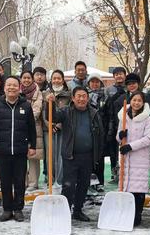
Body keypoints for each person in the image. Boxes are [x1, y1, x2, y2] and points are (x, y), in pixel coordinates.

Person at [0, 76, 36, 221]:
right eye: (8, 85)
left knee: (19, 181)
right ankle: (7, 209)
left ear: (19, 88)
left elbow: (31, 127)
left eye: (14, 85)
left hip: (20, 149)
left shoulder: (25, 106)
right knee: (5, 181)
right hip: (2, 149)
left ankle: (18, 209)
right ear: (4, 88)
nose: (11, 88)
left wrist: (33, 146)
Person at [49, 86, 104, 221]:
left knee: (84, 184)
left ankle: (78, 210)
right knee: (69, 185)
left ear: (87, 97)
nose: (81, 99)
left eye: (84, 96)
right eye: (78, 96)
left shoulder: (94, 113)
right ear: (73, 98)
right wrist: (49, 104)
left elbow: (100, 134)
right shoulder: (66, 112)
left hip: (88, 155)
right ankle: (65, 211)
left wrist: (98, 153)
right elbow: (53, 117)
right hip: (70, 155)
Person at [116, 91, 150, 226]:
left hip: (140, 158)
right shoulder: (124, 117)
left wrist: (131, 146)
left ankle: (137, 215)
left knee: (138, 189)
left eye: (139, 100)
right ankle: (127, 213)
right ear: (130, 101)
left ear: (143, 103)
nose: (136, 103)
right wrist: (121, 136)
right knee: (127, 188)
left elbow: (148, 138)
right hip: (126, 158)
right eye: (134, 100)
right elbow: (117, 137)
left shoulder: (147, 119)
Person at [107, 73, 141, 183]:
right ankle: (121, 176)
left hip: (140, 132)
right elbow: (117, 115)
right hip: (125, 131)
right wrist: (120, 129)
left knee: (138, 156)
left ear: (138, 84)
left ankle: (137, 177)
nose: (132, 86)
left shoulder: (144, 97)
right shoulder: (121, 98)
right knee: (124, 155)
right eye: (129, 84)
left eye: (134, 83)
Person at [43, 69, 71, 186]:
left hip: (63, 128)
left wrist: (58, 125)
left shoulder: (68, 94)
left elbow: (68, 111)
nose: (56, 80)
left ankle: (60, 180)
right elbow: (43, 112)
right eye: (54, 78)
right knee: (50, 155)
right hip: (48, 128)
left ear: (63, 80)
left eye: (59, 78)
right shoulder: (46, 93)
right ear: (51, 80)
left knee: (61, 154)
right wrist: (50, 124)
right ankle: (51, 178)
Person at [20, 70, 44, 191]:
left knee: (33, 156)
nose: (26, 80)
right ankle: (22, 181)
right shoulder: (17, 91)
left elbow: (37, 109)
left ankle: (33, 182)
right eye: (24, 78)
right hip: (19, 128)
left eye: (28, 78)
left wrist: (23, 119)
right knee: (21, 155)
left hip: (34, 126)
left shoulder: (37, 92)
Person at [104, 67, 127, 183]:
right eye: (116, 74)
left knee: (125, 147)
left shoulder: (129, 87)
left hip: (126, 122)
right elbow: (106, 105)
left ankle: (125, 173)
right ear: (114, 76)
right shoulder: (109, 90)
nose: (119, 76)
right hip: (112, 122)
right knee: (113, 149)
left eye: (121, 74)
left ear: (124, 75)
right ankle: (114, 173)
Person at [87, 73, 107, 191]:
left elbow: (108, 113)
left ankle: (100, 182)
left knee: (100, 157)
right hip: (88, 131)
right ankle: (90, 181)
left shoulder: (105, 96)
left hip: (101, 131)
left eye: (97, 82)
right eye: (92, 82)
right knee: (89, 158)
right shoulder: (84, 96)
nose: (95, 84)